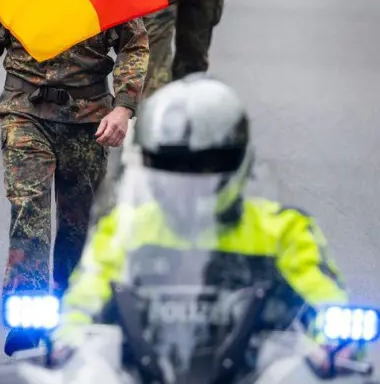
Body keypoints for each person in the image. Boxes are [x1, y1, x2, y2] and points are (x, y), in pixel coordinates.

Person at [54, 75, 355, 376]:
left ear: (238, 162)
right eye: (170, 166)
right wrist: (68, 339)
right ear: (146, 166)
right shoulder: (125, 227)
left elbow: (329, 305)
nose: (189, 182)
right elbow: (84, 301)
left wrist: (331, 344)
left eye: (207, 166)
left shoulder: (283, 231)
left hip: (253, 374)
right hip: (146, 373)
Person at [0, 0, 146, 355]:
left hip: (88, 119)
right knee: (29, 208)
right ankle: (28, 312)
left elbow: (135, 46)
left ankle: (69, 309)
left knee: (79, 222)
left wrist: (124, 107)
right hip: (25, 111)